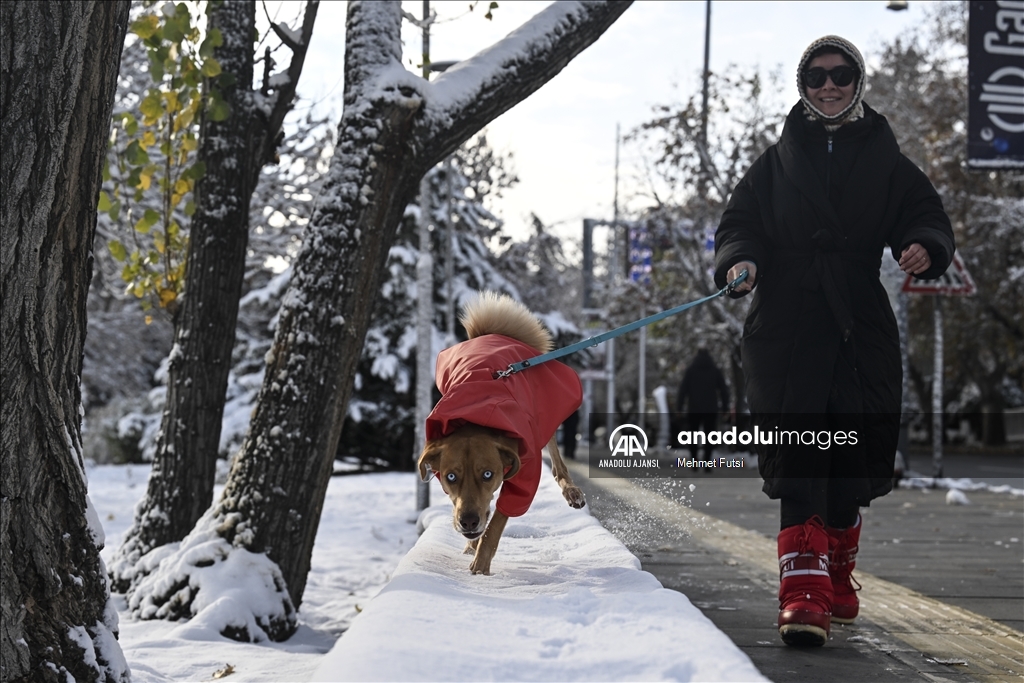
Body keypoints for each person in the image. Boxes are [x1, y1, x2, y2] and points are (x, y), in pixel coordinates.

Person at [714, 35, 954, 647]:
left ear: (858, 80)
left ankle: (839, 569)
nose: (829, 85)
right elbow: (739, 224)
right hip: (786, 326)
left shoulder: (887, 159)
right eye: (817, 75)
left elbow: (924, 213)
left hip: (856, 323)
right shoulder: (774, 161)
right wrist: (742, 261)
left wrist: (925, 244)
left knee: (848, 451)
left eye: (841, 74)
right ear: (802, 83)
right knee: (799, 454)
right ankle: (803, 593)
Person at [677, 348, 730, 460]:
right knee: (709, 436)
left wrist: (679, 407)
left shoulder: (691, 370)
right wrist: (725, 408)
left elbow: (683, 390)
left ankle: (694, 461)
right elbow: (723, 390)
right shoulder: (715, 370)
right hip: (711, 409)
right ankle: (707, 462)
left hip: (694, 408)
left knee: (693, 436)